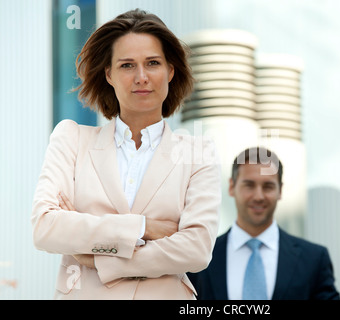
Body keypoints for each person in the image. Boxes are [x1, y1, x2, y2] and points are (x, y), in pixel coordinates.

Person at [31, 9, 221, 300]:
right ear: (109, 74)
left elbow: (196, 249)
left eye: (153, 63)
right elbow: (46, 228)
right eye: (127, 65)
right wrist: (143, 228)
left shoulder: (198, 153)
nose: (141, 77)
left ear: (170, 71)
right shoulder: (72, 139)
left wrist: (100, 258)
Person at [188, 147, 340, 300]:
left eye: (268, 186)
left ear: (280, 190)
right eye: (249, 185)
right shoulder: (198, 258)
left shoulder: (314, 260)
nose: (259, 196)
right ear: (231, 187)